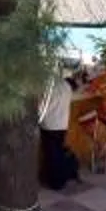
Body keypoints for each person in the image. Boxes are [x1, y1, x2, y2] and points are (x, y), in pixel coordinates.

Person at [39, 62, 85, 191]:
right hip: (62, 124)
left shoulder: (46, 86)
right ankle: (60, 179)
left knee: (51, 154)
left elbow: (41, 106)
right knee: (58, 152)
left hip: (48, 124)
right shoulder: (66, 85)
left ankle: (55, 182)